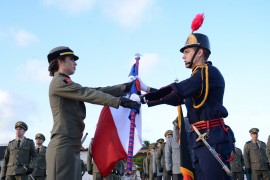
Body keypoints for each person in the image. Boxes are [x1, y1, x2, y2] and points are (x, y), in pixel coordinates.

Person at [140, 22, 235, 180]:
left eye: (187, 51)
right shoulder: (196, 78)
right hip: (200, 139)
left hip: (212, 138)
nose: (183, 56)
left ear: (200, 52)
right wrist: (148, 91)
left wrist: (145, 96)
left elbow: (178, 89)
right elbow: (175, 96)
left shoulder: (207, 72)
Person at [46, 46, 140, 180]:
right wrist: (120, 101)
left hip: (71, 144)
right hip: (63, 144)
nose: (75, 62)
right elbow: (87, 94)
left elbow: (95, 91)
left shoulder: (67, 83)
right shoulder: (59, 82)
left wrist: (124, 87)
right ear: (60, 61)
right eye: (71, 59)